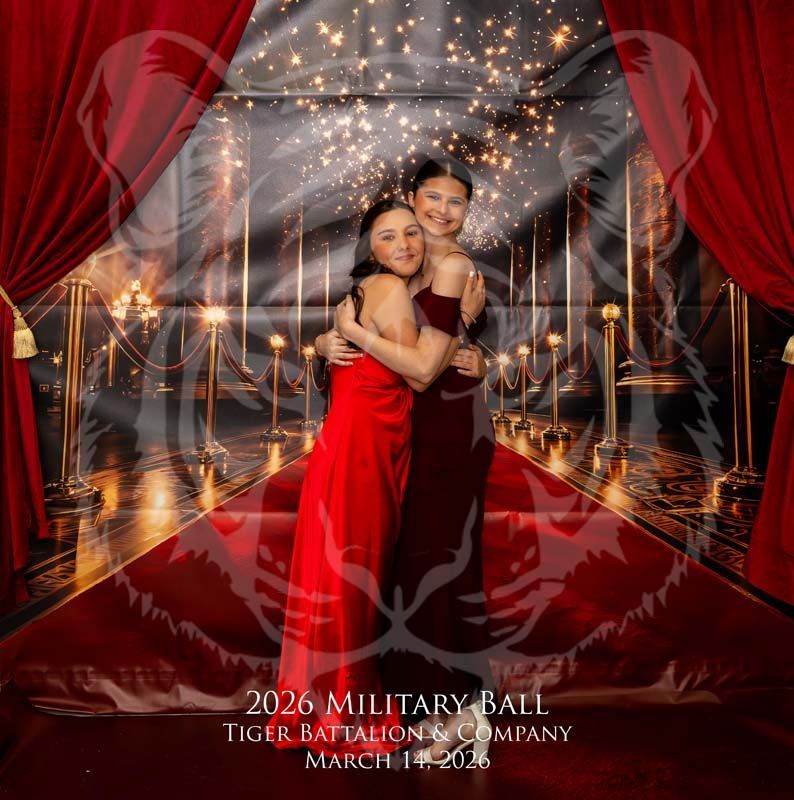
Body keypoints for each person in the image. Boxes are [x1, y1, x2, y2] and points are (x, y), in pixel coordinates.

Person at [266, 199, 485, 757]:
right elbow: (419, 371)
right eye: (388, 237)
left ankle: (322, 702)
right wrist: (455, 322)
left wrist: (466, 333)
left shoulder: (393, 294)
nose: (405, 245)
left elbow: (415, 357)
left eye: (412, 233)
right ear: (371, 249)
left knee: (348, 577)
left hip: (371, 450)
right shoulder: (387, 289)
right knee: (351, 578)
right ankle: (345, 712)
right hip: (361, 457)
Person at [328, 158, 496, 765]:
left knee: (438, 563)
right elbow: (415, 333)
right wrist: (329, 338)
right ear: (412, 199)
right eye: (433, 198)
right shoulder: (404, 260)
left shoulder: (451, 264)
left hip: (446, 427)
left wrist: (473, 350)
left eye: (457, 202)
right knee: (417, 562)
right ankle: (433, 706)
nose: (442, 211)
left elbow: (426, 366)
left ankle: (461, 713)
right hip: (408, 427)